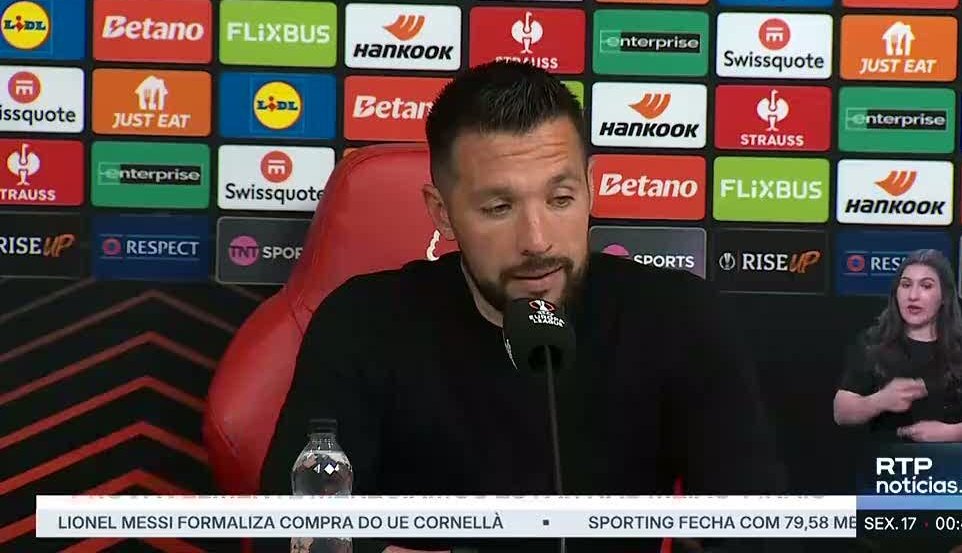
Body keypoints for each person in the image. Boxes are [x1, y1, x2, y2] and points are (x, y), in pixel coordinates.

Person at [256, 61, 788, 553]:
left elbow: (758, 535)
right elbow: (294, 535)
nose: (537, 240)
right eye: (499, 207)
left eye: (560, 199)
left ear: (591, 189)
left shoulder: (678, 318)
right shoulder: (363, 322)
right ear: (442, 214)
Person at [833, 249, 962, 444]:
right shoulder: (872, 343)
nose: (913, 296)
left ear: (944, 296)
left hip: (950, 460)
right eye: (906, 285)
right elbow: (842, 412)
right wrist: (880, 400)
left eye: (926, 286)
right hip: (885, 460)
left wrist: (948, 433)